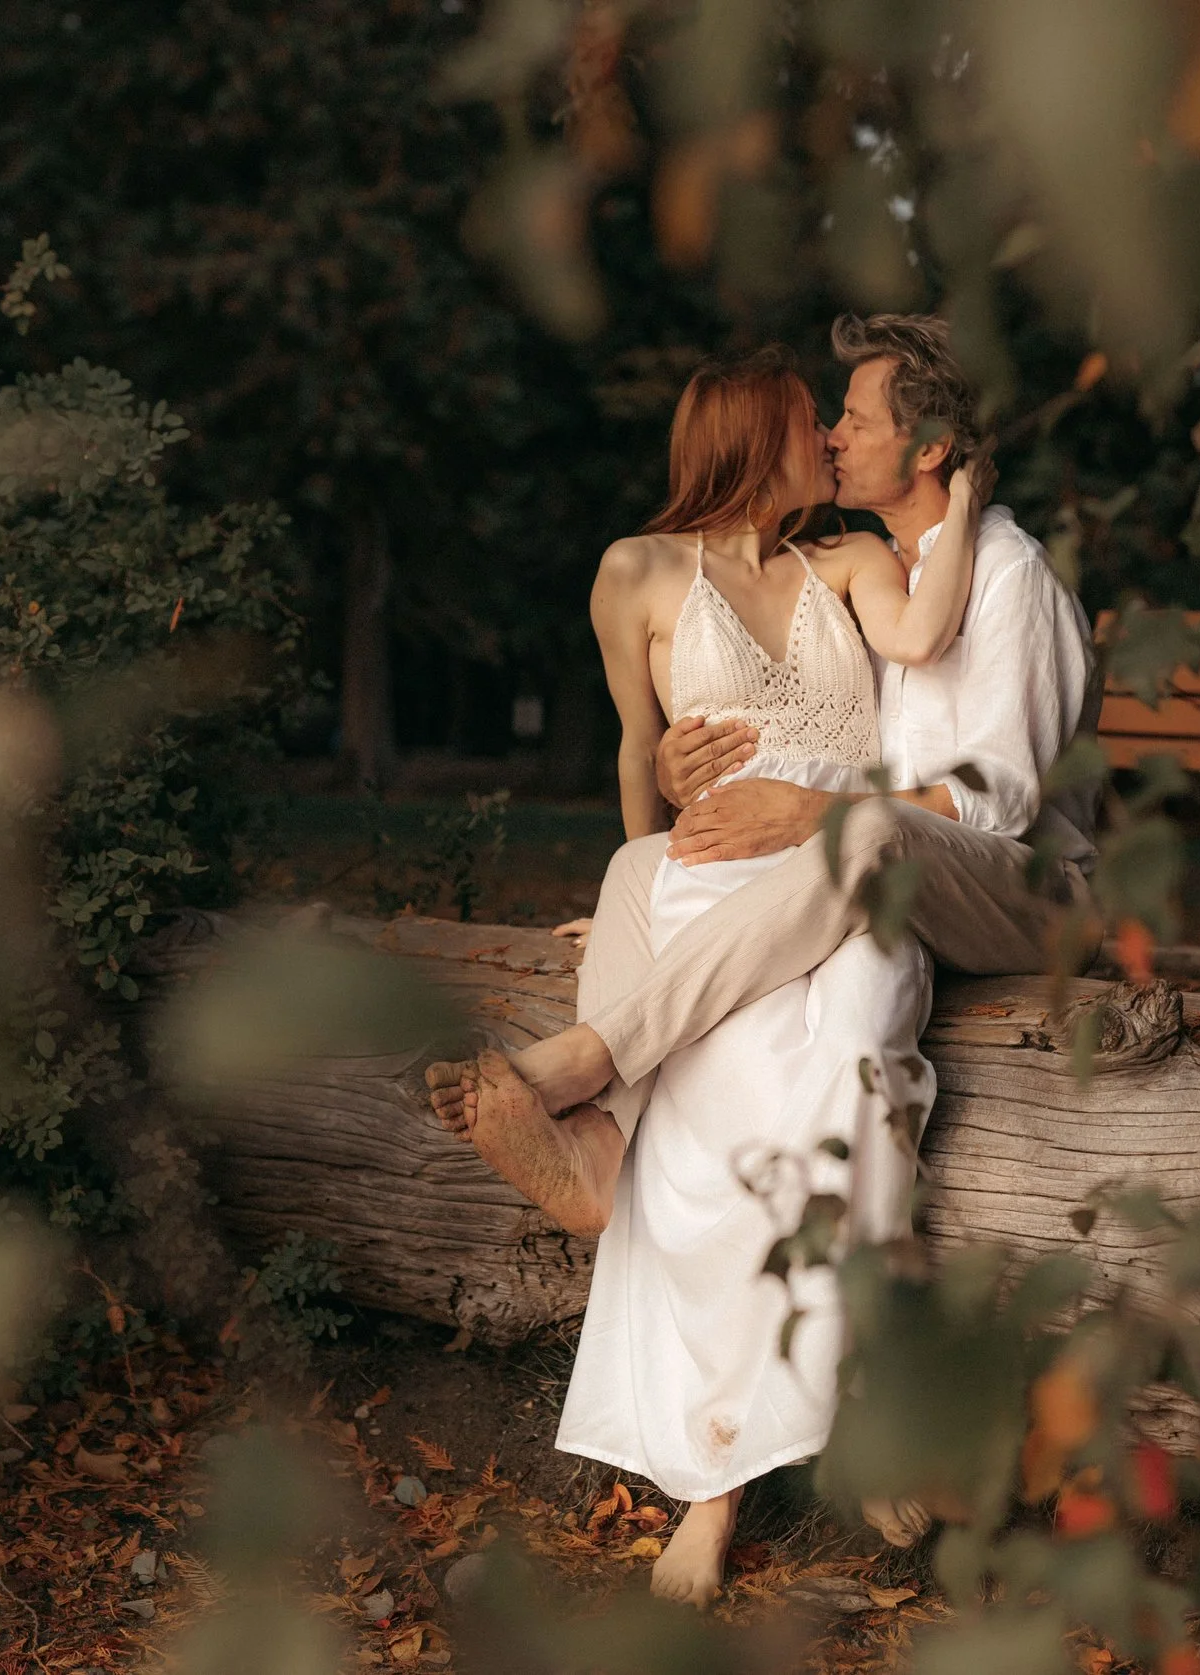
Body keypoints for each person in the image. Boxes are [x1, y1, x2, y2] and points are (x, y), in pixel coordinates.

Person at [429, 343, 994, 1607]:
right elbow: (639, 760)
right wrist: (632, 891)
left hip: (830, 881)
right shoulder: (636, 572)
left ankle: (766, 1447)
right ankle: (720, 1481)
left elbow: (930, 621)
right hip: (707, 885)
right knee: (731, 1094)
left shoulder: (842, 564)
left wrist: (957, 500)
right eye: (813, 423)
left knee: (810, 1084)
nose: (831, 442)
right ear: (756, 437)